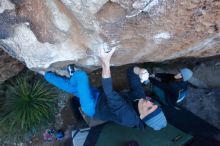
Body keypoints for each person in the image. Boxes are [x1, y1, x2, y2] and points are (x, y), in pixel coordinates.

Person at [41, 47, 167, 131]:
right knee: (73, 88)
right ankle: (46, 74)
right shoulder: (142, 99)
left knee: (81, 76)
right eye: (154, 104)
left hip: (92, 106)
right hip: (101, 97)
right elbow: (131, 72)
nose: (149, 102)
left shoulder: (128, 117)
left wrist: (105, 63)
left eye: (149, 108)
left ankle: (71, 74)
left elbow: (110, 91)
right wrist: (141, 71)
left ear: (142, 116)